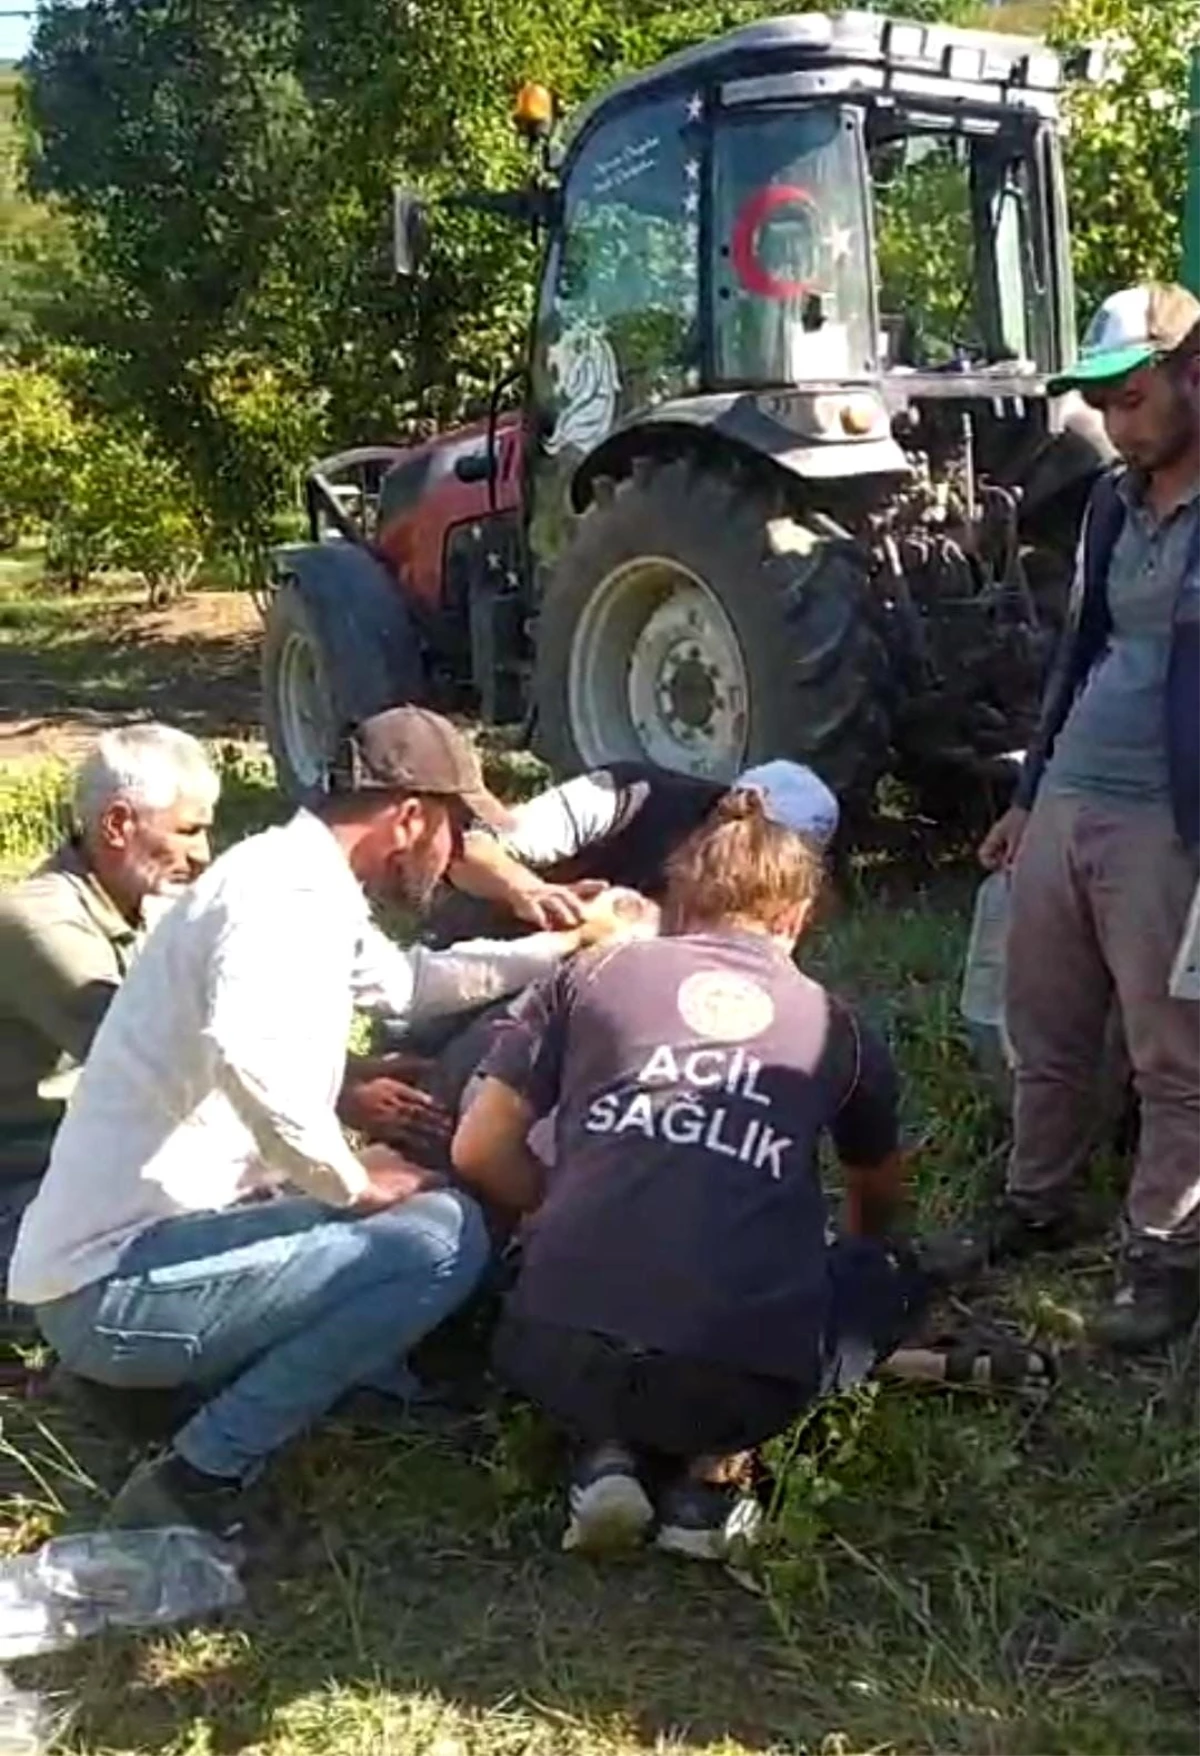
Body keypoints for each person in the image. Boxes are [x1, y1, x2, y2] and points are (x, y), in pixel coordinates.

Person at [7, 706, 626, 1534]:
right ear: (408, 817)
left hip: (149, 1246)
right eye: (451, 828)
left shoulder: (292, 875)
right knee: (437, 1242)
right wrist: (350, 1184)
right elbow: (253, 1062)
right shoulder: (281, 897)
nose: (451, 858)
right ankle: (200, 1473)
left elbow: (407, 986)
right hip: (110, 1284)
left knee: (411, 1210)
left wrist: (557, 948)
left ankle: (180, 1389)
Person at [452, 783, 923, 1561]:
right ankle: (711, 1482)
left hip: (554, 1349)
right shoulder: (841, 1030)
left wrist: (550, 1208)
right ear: (796, 919)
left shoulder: (589, 977)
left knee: (607, 1289)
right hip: (734, 1381)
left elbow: (478, 1150)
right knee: (885, 1275)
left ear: (678, 897)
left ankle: (605, 1450)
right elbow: (875, 1205)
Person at [978, 283, 1200, 1350]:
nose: (1118, 419)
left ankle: (1164, 1252)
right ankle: (1036, 1200)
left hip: (1172, 819)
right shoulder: (1115, 499)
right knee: (1047, 1021)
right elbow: (1079, 649)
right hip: (1073, 793)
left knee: (1173, 1050)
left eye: (1134, 394)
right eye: (1103, 403)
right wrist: (1030, 797)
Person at [0, 725, 219, 1268]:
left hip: (95, 1167)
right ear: (119, 824)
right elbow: (156, 1060)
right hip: (28, 1195)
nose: (202, 855)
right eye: (188, 830)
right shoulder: (40, 924)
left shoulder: (136, 905)